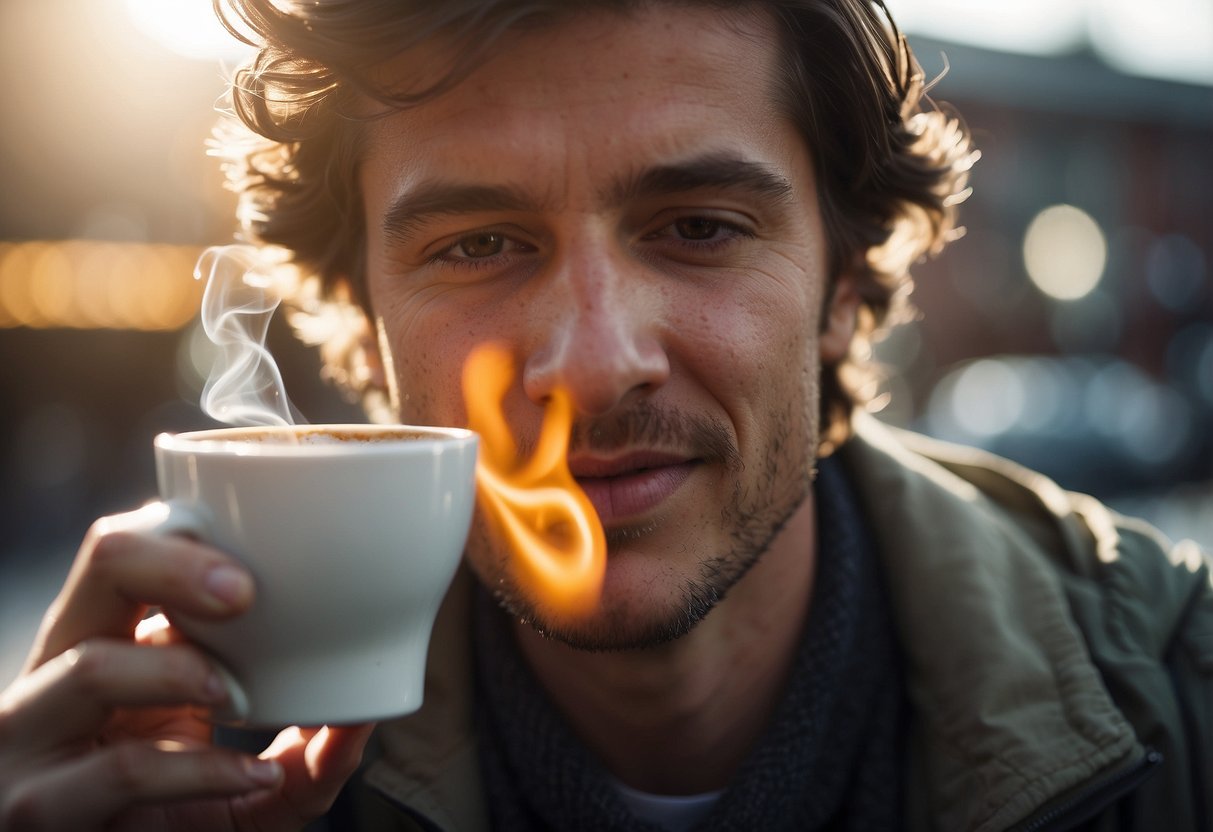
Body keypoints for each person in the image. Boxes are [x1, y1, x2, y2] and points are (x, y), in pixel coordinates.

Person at [1, 0, 1209, 829]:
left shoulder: (1178, 699)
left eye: (697, 229)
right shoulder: (201, 763)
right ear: (365, 319)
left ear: (843, 288)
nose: (590, 363)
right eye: (479, 244)